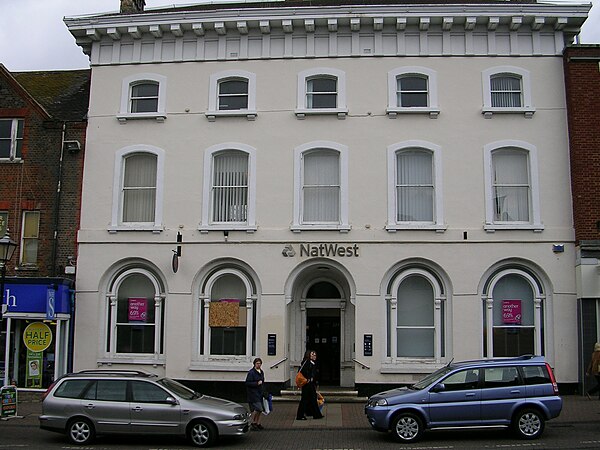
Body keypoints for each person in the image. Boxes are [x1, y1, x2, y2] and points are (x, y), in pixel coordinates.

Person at [296, 350, 324, 420]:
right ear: (309, 355)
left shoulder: (312, 363)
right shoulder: (307, 362)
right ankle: (300, 415)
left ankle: (316, 414)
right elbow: (304, 372)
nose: (314, 356)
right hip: (307, 384)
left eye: (315, 355)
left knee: (313, 399)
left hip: (309, 383)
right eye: (312, 355)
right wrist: (308, 379)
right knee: (305, 399)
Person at [245, 357, 266, 430]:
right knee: (258, 408)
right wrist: (256, 383)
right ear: (254, 364)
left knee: (260, 410)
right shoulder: (251, 373)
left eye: (260, 363)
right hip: (253, 394)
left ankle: (257, 422)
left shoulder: (261, 372)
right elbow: (247, 383)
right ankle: (252, 422)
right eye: (257, 363)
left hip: (260, 393)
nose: (259, 365)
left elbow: (263, 382)